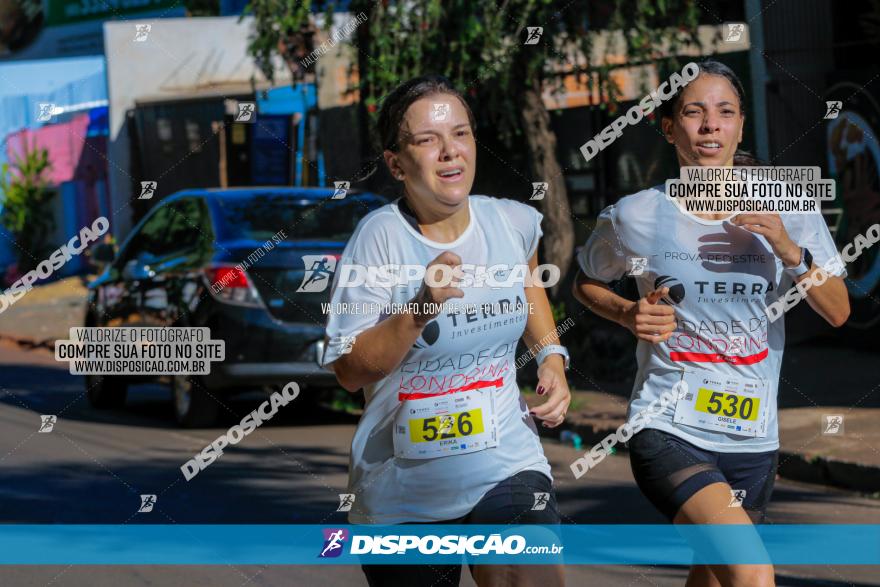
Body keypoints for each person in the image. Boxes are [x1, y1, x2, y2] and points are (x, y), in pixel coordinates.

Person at [573, 60, 850, 587]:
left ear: (741, 125)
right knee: (751, 573)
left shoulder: (786, 203)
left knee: (714, 574)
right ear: (669, 127)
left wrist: (791, 252)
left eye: (724, 113)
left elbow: (837, 310)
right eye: (693, 113)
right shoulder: (638, 214)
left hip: (753, 434)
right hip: (669, 425)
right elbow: (584, 283)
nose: (709, 126)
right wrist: (628, 312)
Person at [320, 75, 572, 587]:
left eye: (460, 134)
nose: (449, 152)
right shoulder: (379, 241)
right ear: (396, 163)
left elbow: (528, 286)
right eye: (427, 140)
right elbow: (349, 371)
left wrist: (551, 356)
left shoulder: (512, 222)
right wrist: (417, 310)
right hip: (404, 487)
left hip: (506, 461)